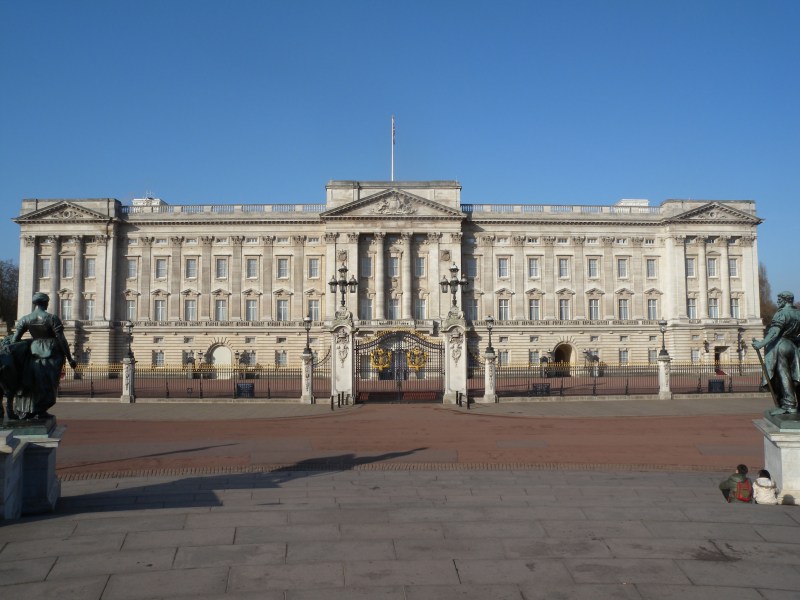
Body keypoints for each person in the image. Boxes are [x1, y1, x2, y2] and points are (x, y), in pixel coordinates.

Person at [10, 292, 77, 419]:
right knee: (48, 384)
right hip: (52, 354)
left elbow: (14, 341)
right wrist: (69, 358)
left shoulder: (25, 319)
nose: (47, 304)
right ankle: (40, 410)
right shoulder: (52, 318)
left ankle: (32, 410)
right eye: (47, 302)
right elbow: (61, 340)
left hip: (33, 352)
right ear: (44, 303)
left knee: (33, 382)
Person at [752, 291, 800, 415]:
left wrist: (761, 344)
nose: (778, 301)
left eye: (779, 299)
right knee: (795, 375)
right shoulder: (798, 313)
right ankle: (790, 403)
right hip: (794, 346)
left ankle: (789, 404)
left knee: (783, 375)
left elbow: (774, 332)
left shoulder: (781, 314)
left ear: (785, 300)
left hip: (781, 346)